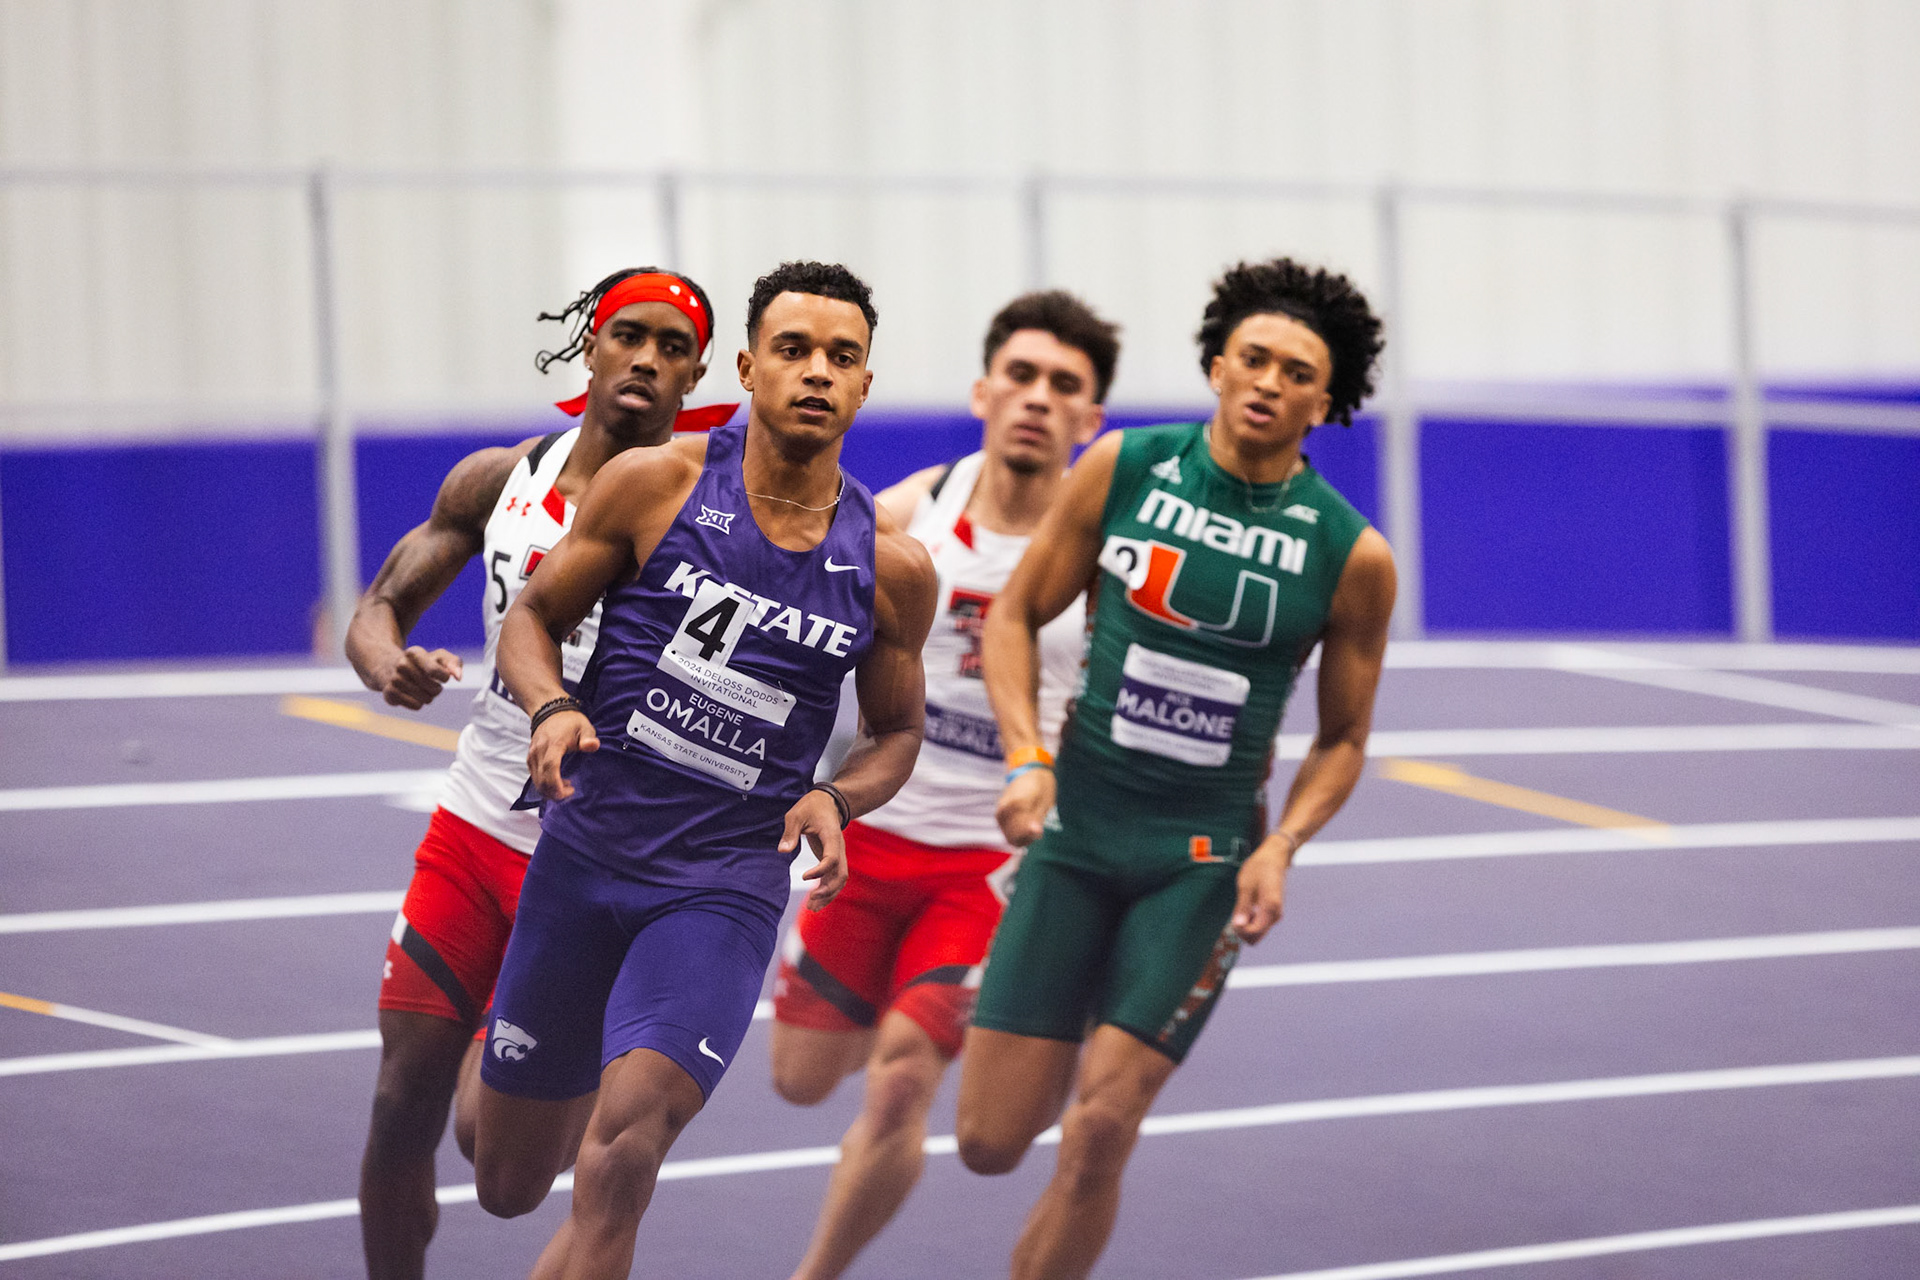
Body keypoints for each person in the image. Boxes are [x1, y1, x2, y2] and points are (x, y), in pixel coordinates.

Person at [474, 261, 939, 1280]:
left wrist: (837, 794)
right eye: (794, 349)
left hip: (721, 885)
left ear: (865, 385)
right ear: (748, 366)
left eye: (842, 357)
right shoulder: (656, 485)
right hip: (585, 855)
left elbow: (896, 731)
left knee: (625, 1147)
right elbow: (534, 618)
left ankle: (639, 1057)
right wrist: (554, 706)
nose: (817, 372)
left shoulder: (890, 568)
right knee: (504, 1176)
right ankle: (550, 1050)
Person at [955, 258, 1398, 1280]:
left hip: (1199, 860)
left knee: (1099, 1126)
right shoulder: (1125, 467)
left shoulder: (1350, 553)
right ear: (1215, 364)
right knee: (985, 1138)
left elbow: (1342, 739)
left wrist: (1282, 843)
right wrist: (1027, 756)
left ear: (1324, 402)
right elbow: (1014, 615)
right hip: (1073, 837)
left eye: (1297, 371)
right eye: (1254, 357)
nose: (1270, 381)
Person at [347, 266, 726, 1280]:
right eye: (627, 335)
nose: (647, 358)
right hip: (474, 831)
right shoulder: (499, 478)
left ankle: (562, 1075)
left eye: (672, 346)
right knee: (398, 1105)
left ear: (696, 375)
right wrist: (393, 664)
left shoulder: (704, 513)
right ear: (588, 349)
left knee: (494, 1155)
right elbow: (378, 606)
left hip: (592, 856)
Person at [770, 291, 1122, 1280]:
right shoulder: (914, 512)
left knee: (898, 1085)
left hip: (992, 867)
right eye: (1021, 375)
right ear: (983, 390)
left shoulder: (1106, 556)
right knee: (799, 1079)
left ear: (1091, 421)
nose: (1038, 399)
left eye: (1066, 386)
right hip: (873, 833)